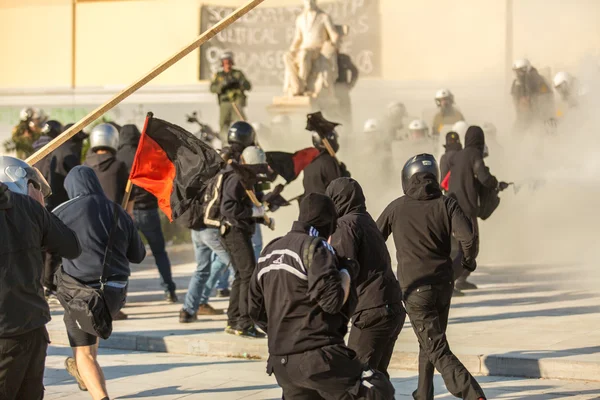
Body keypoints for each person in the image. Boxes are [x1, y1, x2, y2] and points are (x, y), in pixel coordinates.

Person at [249, 193, 395, 399]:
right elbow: (332, 301)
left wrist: (284, 333)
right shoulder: (315, 246)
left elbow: (254, 310)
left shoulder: (269, 251)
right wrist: (346, 271)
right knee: (377, 389)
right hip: (317, 358)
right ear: (327, 223)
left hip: (281, 363)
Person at [377, 154, 486, 400]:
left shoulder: (396, 207)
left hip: (415, 289)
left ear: (407, 178)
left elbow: (374, 239)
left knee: (435, 346)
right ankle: (424, 392)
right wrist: (467, 262)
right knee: (431, 340)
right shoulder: (446, 204)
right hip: (443, 286)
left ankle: (473, 394)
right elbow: (468, 238)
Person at [53, 166, 145, 399]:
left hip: (80, 294)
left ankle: (98, 392)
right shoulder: (118, 211)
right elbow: (138, 255)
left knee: (84, 353)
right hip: (115, 292)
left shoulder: (60, 212)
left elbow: (47, 253)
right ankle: (85, 374)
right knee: (90, 333)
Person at [0, 156, 81, 400]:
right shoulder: (30, 208)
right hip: (32, 326)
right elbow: (71, 246)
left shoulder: (28, 207)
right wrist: (39, 210)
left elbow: (71, 247)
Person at [326, 177, 404, 377]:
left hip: (373, 312)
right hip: (391, 307)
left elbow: (342, 267)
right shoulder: (365, 219)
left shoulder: (345, 225)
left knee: (355, 377)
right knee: (376, 378)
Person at [116, 124, 179, 303]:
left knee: (123, 256)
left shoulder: (118, 157)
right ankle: (169, 291)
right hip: (148, 210)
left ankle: (122, 296)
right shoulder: (145, 154)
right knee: (159, 252)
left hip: (126, 212)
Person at [221, 146, 273, 338]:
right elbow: (228, 208)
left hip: (238, 231)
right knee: (249, 275)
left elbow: (249, 203)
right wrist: (252, 212)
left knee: (241, 276)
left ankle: (233, 320)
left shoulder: (246, 178)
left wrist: (262, 212)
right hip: (234, 232)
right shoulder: (236, 178)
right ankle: (244, 323)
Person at [448, 126, 508, 291]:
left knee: (462, 247)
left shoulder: (458, 155)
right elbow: (483, 176)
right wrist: (496, 184)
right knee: (469, 248)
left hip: (453, 207)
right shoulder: (475, 154)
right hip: (466, 209)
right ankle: (453, 281)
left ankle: (459, 279)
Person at [283, 0, 340, 97]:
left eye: (311, 1)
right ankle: (297, 85)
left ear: (315, 1)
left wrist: (333, 44)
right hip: (303, 47)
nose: (309, 3)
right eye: (306, 1)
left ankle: (300, 87)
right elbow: (298, 38)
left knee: (304, 54)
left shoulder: (323, 17)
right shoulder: (300, 19)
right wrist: (292, 48)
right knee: (287, 56)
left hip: (317, 48)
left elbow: (333, 34)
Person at [210, 51, 252, 140]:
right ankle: (225, 143)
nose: (227, 65)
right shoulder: (219, 75)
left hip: (237, 103)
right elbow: (212, 88)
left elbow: (248, 86)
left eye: (229, 62)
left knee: (241, 124)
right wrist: (222, 85)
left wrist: (240, 82)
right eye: (225, 63)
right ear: (222, 63)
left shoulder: (238, 74)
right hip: (225, 103)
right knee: (223, 125)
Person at [83, 123, 129, 205]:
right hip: (112, 214)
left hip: (90, 213)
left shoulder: (84, 166)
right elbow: (129, 193)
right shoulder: (118, 166)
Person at [510, 58, 555, 131]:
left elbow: (546, 97)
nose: (517, 74)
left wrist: (533, 103)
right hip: (524, 116)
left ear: (525, 69)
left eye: (519, 71)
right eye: (516, 71)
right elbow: (515, 99)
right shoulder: (517, 83)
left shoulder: (538, 80)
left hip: (537, 117)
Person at [302, 130, 350, 196]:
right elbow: (339, 189)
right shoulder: (328, 161)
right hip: (326, 203)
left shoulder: (309, 161)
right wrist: (345, 175)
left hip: (312, 203)